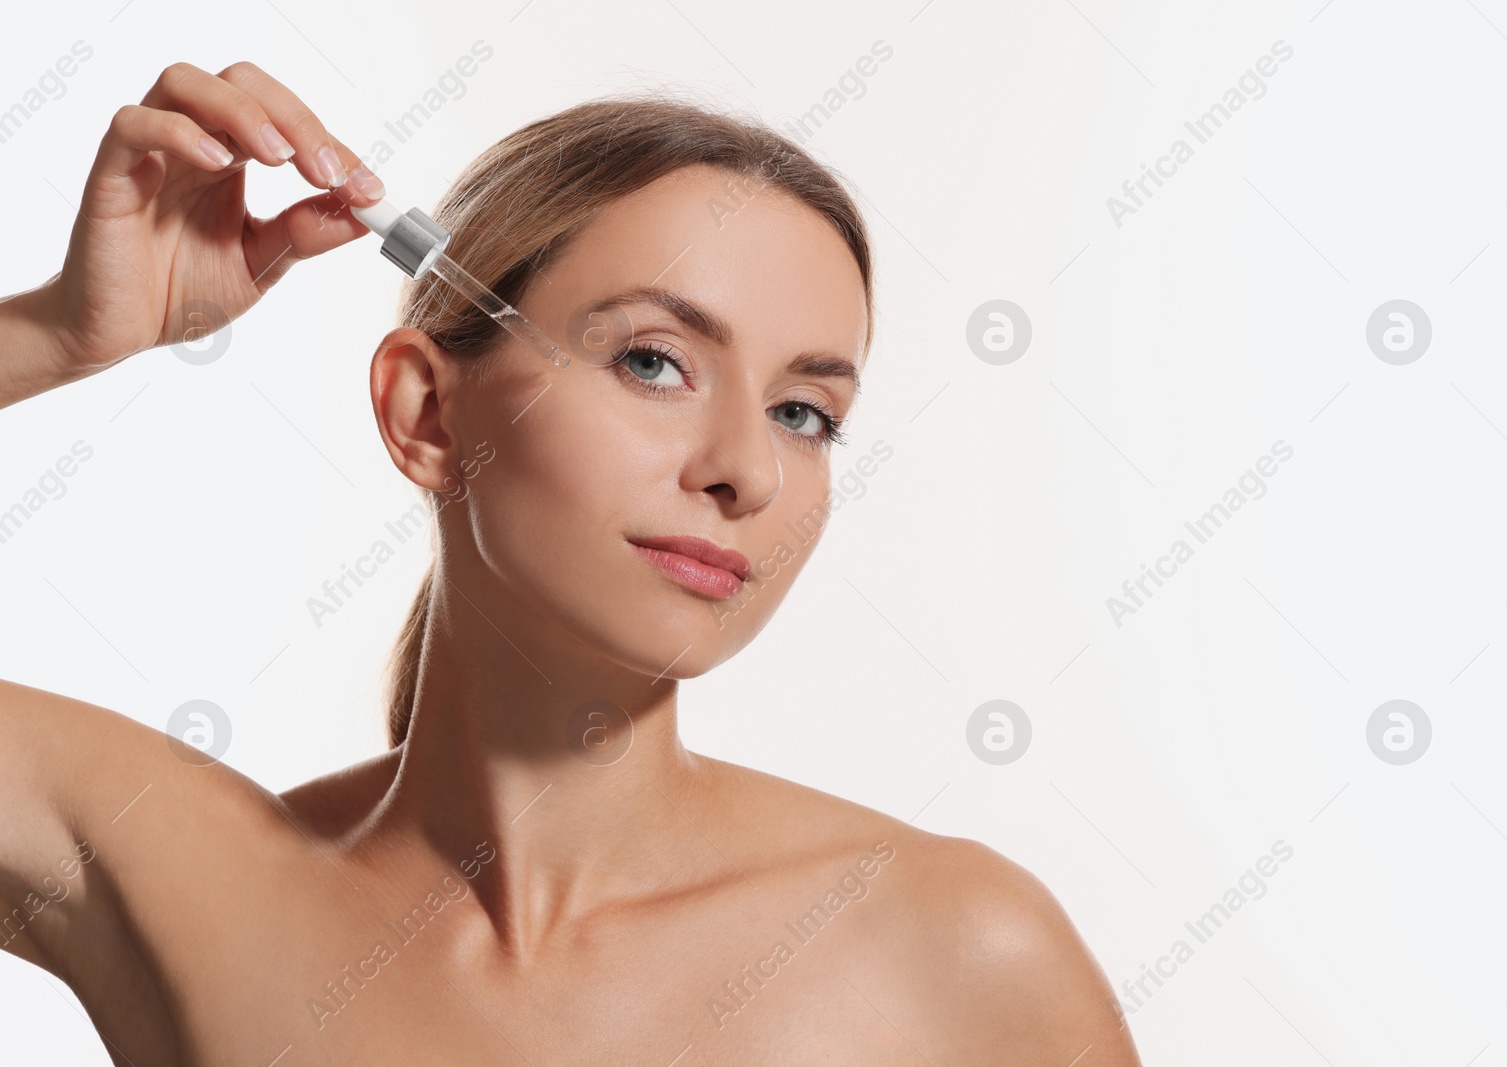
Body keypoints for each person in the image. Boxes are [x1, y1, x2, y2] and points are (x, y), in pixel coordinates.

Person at [0, 61, 1141, 1065]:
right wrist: (51, 333)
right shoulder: (198, 883)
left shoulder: (954, 950)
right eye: (653, 361)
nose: (744, 466)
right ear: (427, 412)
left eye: (803, 411)